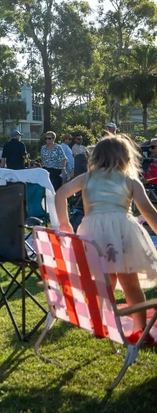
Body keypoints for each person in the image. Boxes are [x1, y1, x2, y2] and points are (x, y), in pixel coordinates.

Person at [55, 134, 157, 340]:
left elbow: (61, 193)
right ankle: (141, 329)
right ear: (126, 158)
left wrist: (64, 223)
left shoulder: (88, 178)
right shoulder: (130, 180)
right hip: (123, 232)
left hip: (94, 235)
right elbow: (147, 210)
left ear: (96, 157)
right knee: (130, 283)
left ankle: (98, 322)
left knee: (103, 282)